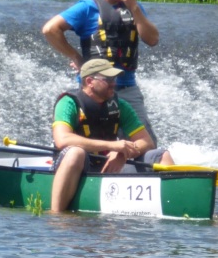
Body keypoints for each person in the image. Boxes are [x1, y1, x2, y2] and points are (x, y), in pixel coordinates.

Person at [41, 0, 161, 145]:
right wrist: (76, 57)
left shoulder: (135, 8)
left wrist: (134, 7)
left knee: (146, 145)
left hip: (128, 88)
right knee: (93, 139)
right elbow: (50, 29)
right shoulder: (87, 8)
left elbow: (152, 39)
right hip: (95, 90)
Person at [50, 58, 174, 212]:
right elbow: (63, 140)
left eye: (114, 79)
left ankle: (175, 207)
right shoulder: (68, 103)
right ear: (89, 81)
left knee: (161, 155)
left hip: (109, 166)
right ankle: (57, 215)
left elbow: (146, 142)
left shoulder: (120, 105)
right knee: (76, 153)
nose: (114, 84)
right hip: (77, 165)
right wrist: (113, 146)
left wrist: (122, 153)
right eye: (108, 80)